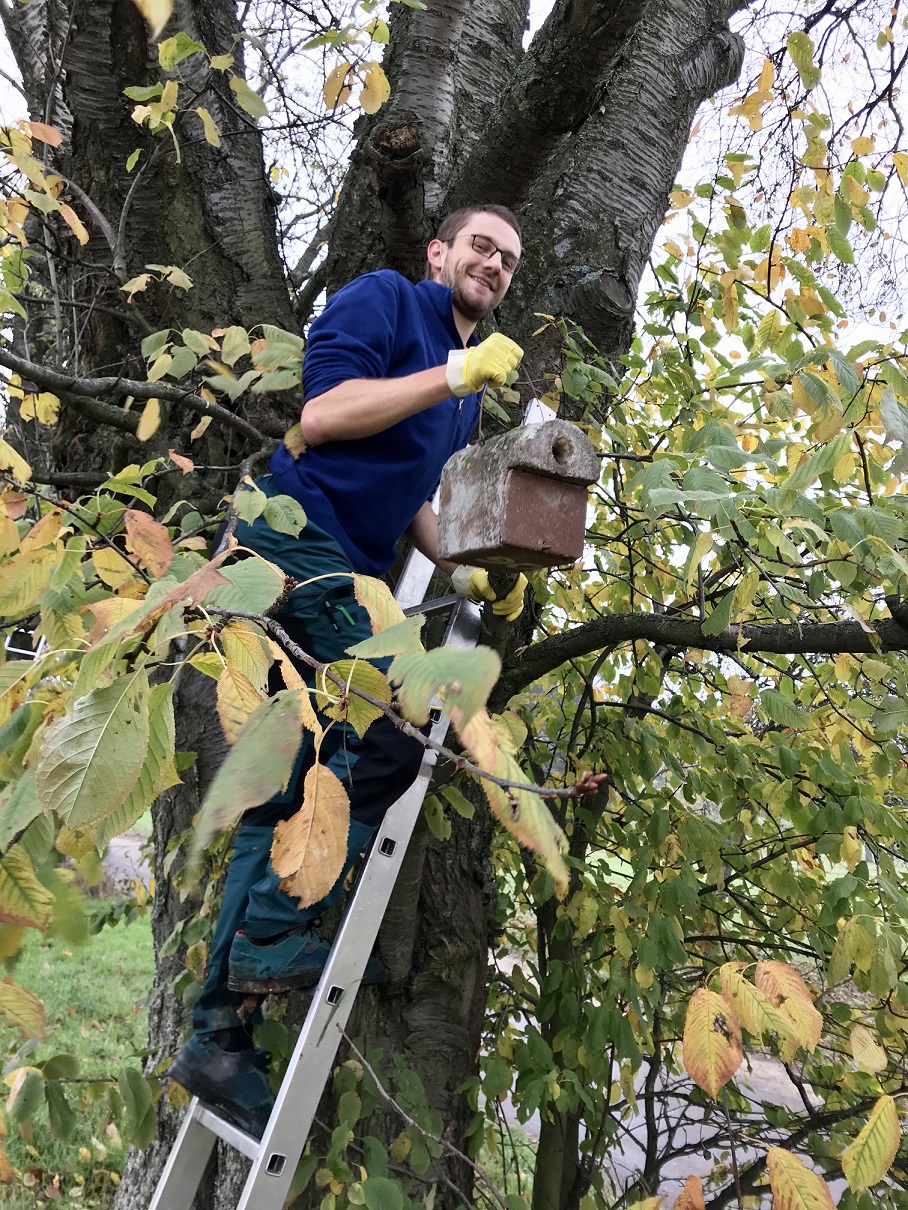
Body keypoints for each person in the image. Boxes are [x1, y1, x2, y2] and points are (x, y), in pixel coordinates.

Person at [169, 206, 529, 1137]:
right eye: (479, 245)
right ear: (438, 253)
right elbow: (324, 417)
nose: (493, 263)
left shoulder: (463, 392)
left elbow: (413, 495)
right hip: (294, 540)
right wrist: (451, 370)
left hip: (352, 565)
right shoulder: (386, 305)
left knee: (294, 781)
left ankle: (220, 1035)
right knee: (391, 734)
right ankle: (281, 934)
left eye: (509, 259)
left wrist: (465, 563)